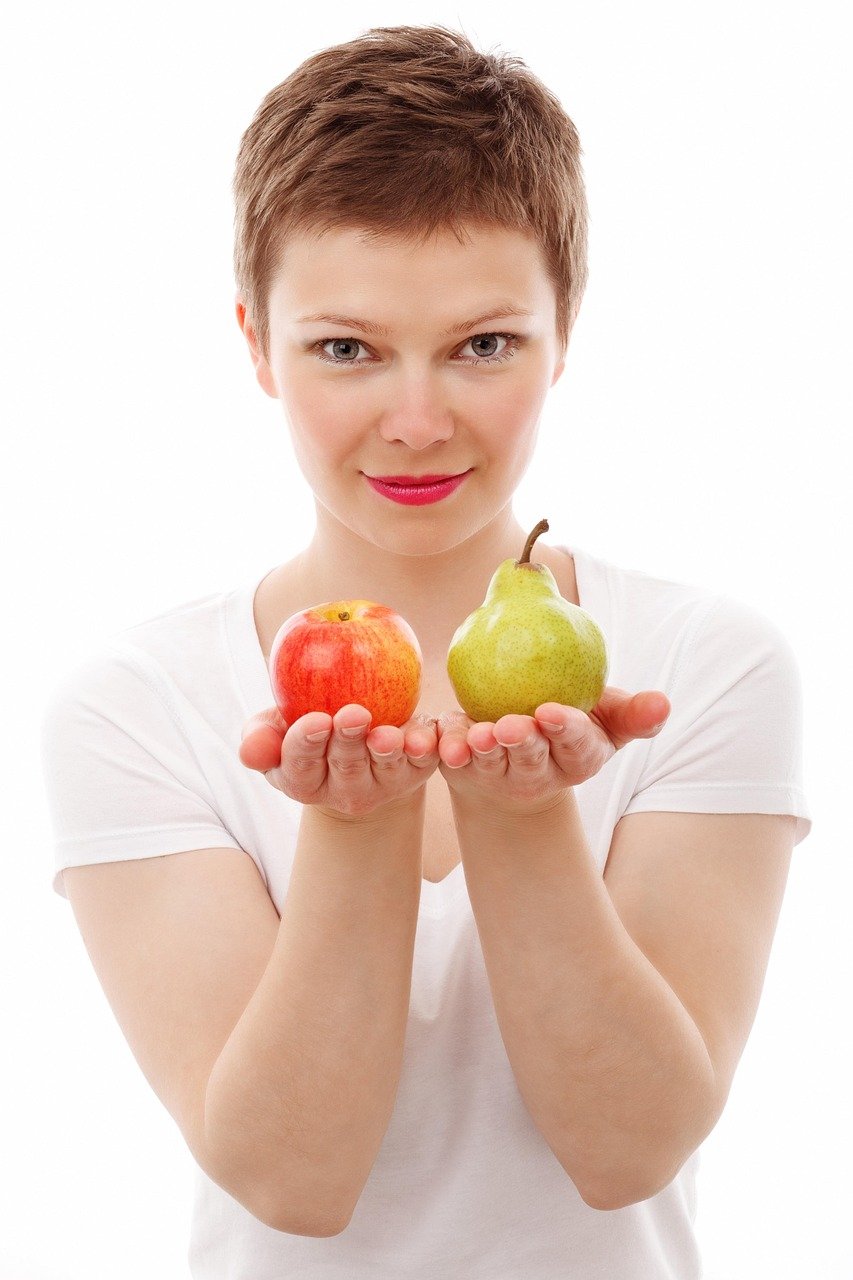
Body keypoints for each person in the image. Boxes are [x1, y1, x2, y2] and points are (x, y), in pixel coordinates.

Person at [38, 23, 812, 1279]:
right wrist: (352, 826)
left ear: (565, 334)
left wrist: (521, 821)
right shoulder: (134, 703)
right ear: (253, 344)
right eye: (346, 348)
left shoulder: (706, 662)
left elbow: (629, 1149)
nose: (415, 420)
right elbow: (295, 1179)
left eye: (483, 344)